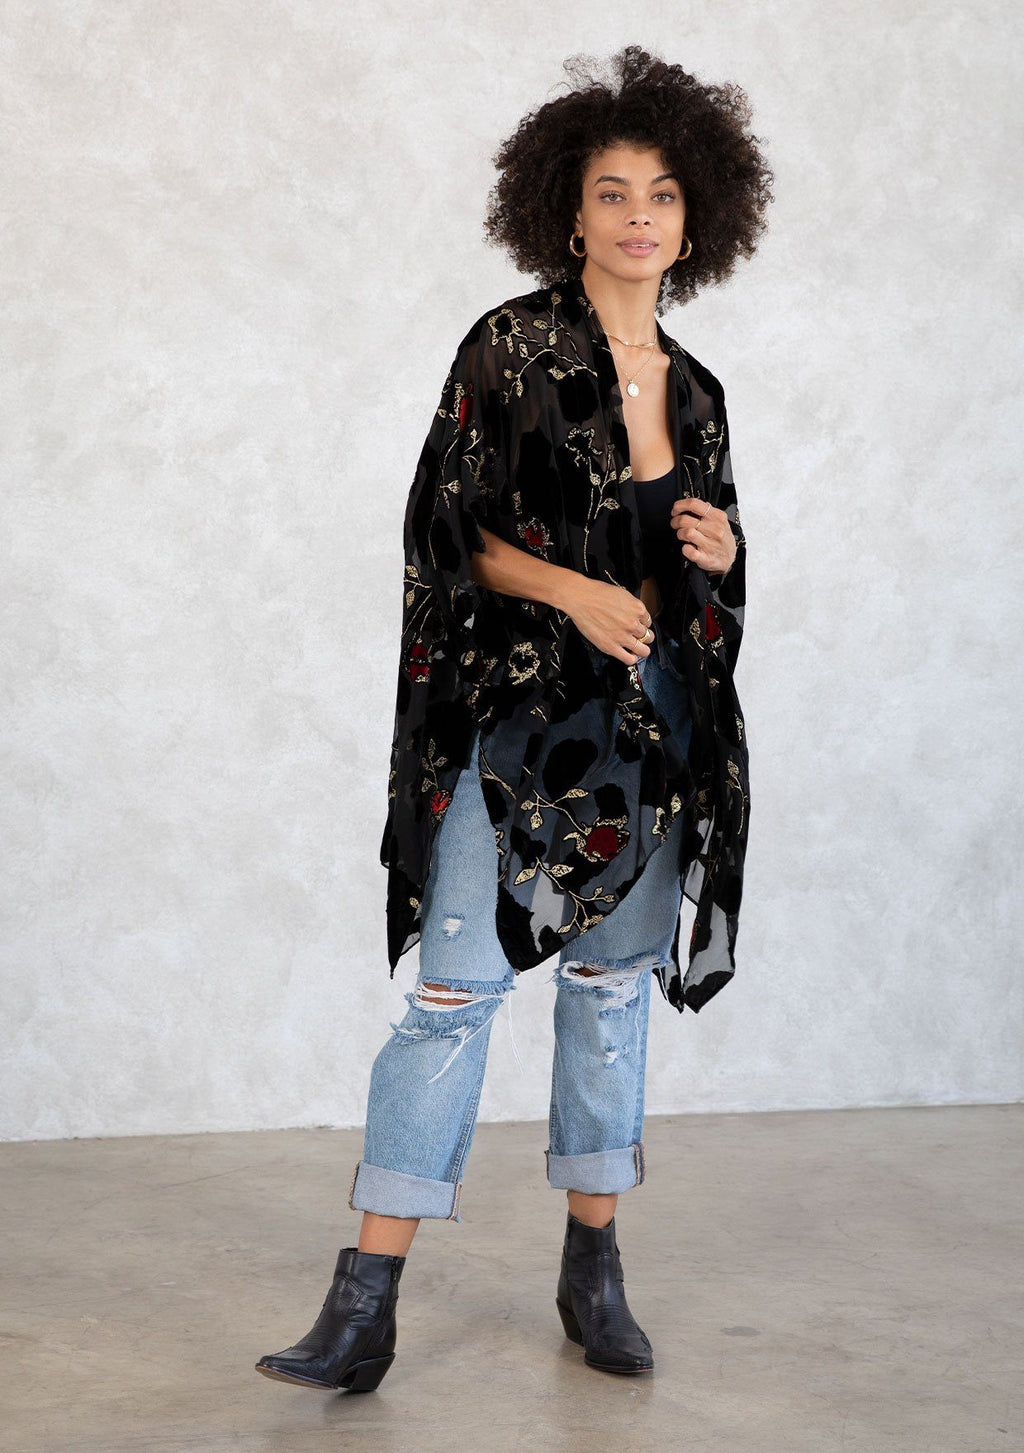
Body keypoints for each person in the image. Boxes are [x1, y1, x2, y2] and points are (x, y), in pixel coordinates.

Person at [256, 44, 773, 1394]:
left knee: (607, 995)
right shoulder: (509, 348)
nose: (640, 216)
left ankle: (593, 1267)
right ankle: (362, 1304)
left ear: (697, 220)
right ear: (570, 213)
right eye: (613, 193)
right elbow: (445, 535)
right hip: (516, 729)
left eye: (663, 194)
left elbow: (711, 588)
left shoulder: (700, 393)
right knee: (450, 995)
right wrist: (572, 590)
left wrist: (719, 553)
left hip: (650, 736)